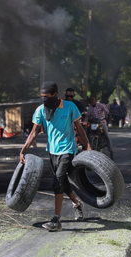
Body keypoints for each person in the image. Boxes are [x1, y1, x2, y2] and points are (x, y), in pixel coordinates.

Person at [20, 81, 91, 232]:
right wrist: (23, 150)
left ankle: (56, 220)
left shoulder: (70, 107)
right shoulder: (40, 110)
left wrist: (88, 147)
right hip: (52, 151)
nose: (44, 99)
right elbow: (34, 132)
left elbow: (79, 128)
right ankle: (77, 204)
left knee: (57, 181)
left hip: (67, 150)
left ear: (55, 95)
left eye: (47, 96)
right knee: (63, 183)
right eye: (42, 97)